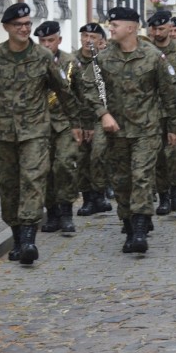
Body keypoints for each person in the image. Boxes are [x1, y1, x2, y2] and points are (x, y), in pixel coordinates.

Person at [0, 3, 83, 265]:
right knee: (9, 185)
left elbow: (63, 90)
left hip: (35, 132)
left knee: (33, 180)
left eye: (27, 24)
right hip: (2, 133)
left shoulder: (42, 56)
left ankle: (30, 240)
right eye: (18, 25)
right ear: (7, 27)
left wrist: (75, 122)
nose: (24, 29)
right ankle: (18, 238)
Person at [83, 6, 176, 255]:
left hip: (146, 129)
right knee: (121, 181)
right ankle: (128, 224)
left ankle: (139, 230)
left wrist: (173, 126)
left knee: (141, 176)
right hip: (116, 131)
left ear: (131, 27)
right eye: (110, 25)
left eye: (115, 25)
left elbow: (169, 93)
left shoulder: (153, 56)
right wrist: (103, 114)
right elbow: (89, 87)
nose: (111, 28)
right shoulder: (103, 58)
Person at [34, 21, 87, 234]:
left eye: (51, 40)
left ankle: (66, 213)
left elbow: (81, 94)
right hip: (39, 124)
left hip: (65, 123)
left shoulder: (70, 62)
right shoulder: (33, 61)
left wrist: (84, 124)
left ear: (59, 40)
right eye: (42, 41)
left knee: (64, 165)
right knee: (44, 169)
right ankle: (52, 213)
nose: (46, 44)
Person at [149, 10, 176, 215]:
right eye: (155, 29)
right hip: (153, 112)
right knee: (158, 156)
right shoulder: (147, 52)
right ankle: (163, 196)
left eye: (162, 28)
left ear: (169, 28)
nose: (158, 32)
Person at [73, 23, 114, 216]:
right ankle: (88, 198)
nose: (88, 40)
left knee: (98, 153)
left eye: (93, 36)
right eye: (85, 36)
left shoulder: (104, 60)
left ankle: (100, 193)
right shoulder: (72, 61)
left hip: (100, 116)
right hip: (79, 118)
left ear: (100, 40)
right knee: (82, 158)